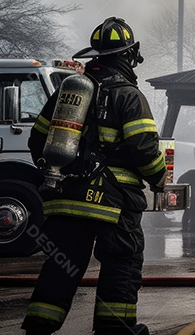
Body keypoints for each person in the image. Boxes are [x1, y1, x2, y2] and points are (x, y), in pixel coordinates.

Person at [23, 17, 166, 335]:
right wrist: (159, 178)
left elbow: (37, 140)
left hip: (65, 198)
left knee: (61, 265)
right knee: (121, 263)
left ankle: (38, 326)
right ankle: (115, 329)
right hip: (114, 203)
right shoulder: (129, 96)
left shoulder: (69, 91)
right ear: (128, 55)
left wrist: (60, 172)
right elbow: (144, 149)